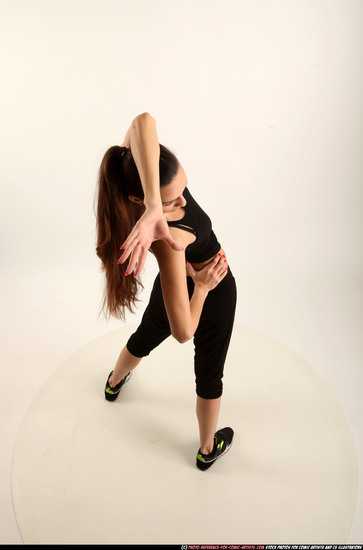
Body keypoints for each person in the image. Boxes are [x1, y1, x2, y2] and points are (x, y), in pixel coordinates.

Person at [95, 112, 237, 470]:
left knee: (144, 335)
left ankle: (113, 383)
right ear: (138, 198)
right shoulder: (169, 239)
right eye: (172, 202)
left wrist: (157, 205)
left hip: (176, 285)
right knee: (209, 373)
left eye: (181, 191)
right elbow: (183, 331)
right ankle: (207, 450)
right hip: (213, 289)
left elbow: (141, 121)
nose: (183, 203)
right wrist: (202, 288)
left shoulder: (146, 183)